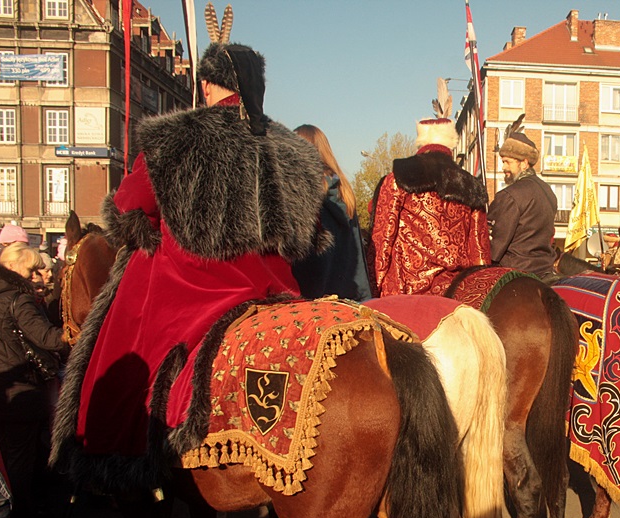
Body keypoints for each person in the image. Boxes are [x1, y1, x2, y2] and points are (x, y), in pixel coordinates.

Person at [54, 36, 326, 475]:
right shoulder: (294, 152)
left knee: (122, 353)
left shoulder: (176, 136)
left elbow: (127, 209)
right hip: (276, 291)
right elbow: (310, 234)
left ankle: (116, 454)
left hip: (194, 292)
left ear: (207, 85)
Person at [369, 83, 490, 296]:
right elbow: (480, 252)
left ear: (421, 143)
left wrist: (374, 286)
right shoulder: (471, 185)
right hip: (455, 293)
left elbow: (382, 240)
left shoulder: (397, 179)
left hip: (404, 292)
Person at [0, 242, 68, 518]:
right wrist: (76, 334)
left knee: (8, 460)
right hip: (22, 392)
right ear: (14, 268)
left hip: (0, 389)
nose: (36, 275)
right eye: (32, 269)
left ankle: (20, 513)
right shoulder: (17, 299)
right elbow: (48, 339)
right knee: (21, 461)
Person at [292, 124, 373, 302]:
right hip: (349, 299)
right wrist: (365, 300)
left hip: (313, 303)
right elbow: (357, 255)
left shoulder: (300, 195)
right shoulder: (344, 192)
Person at [487, 131, 556, 278]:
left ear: (524, 163)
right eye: (503, 162)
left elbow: (495, 246)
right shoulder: (548, 192)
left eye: (508, 162)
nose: (503, 168)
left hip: (514, 271)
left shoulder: (509, 195)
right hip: (545, 270)